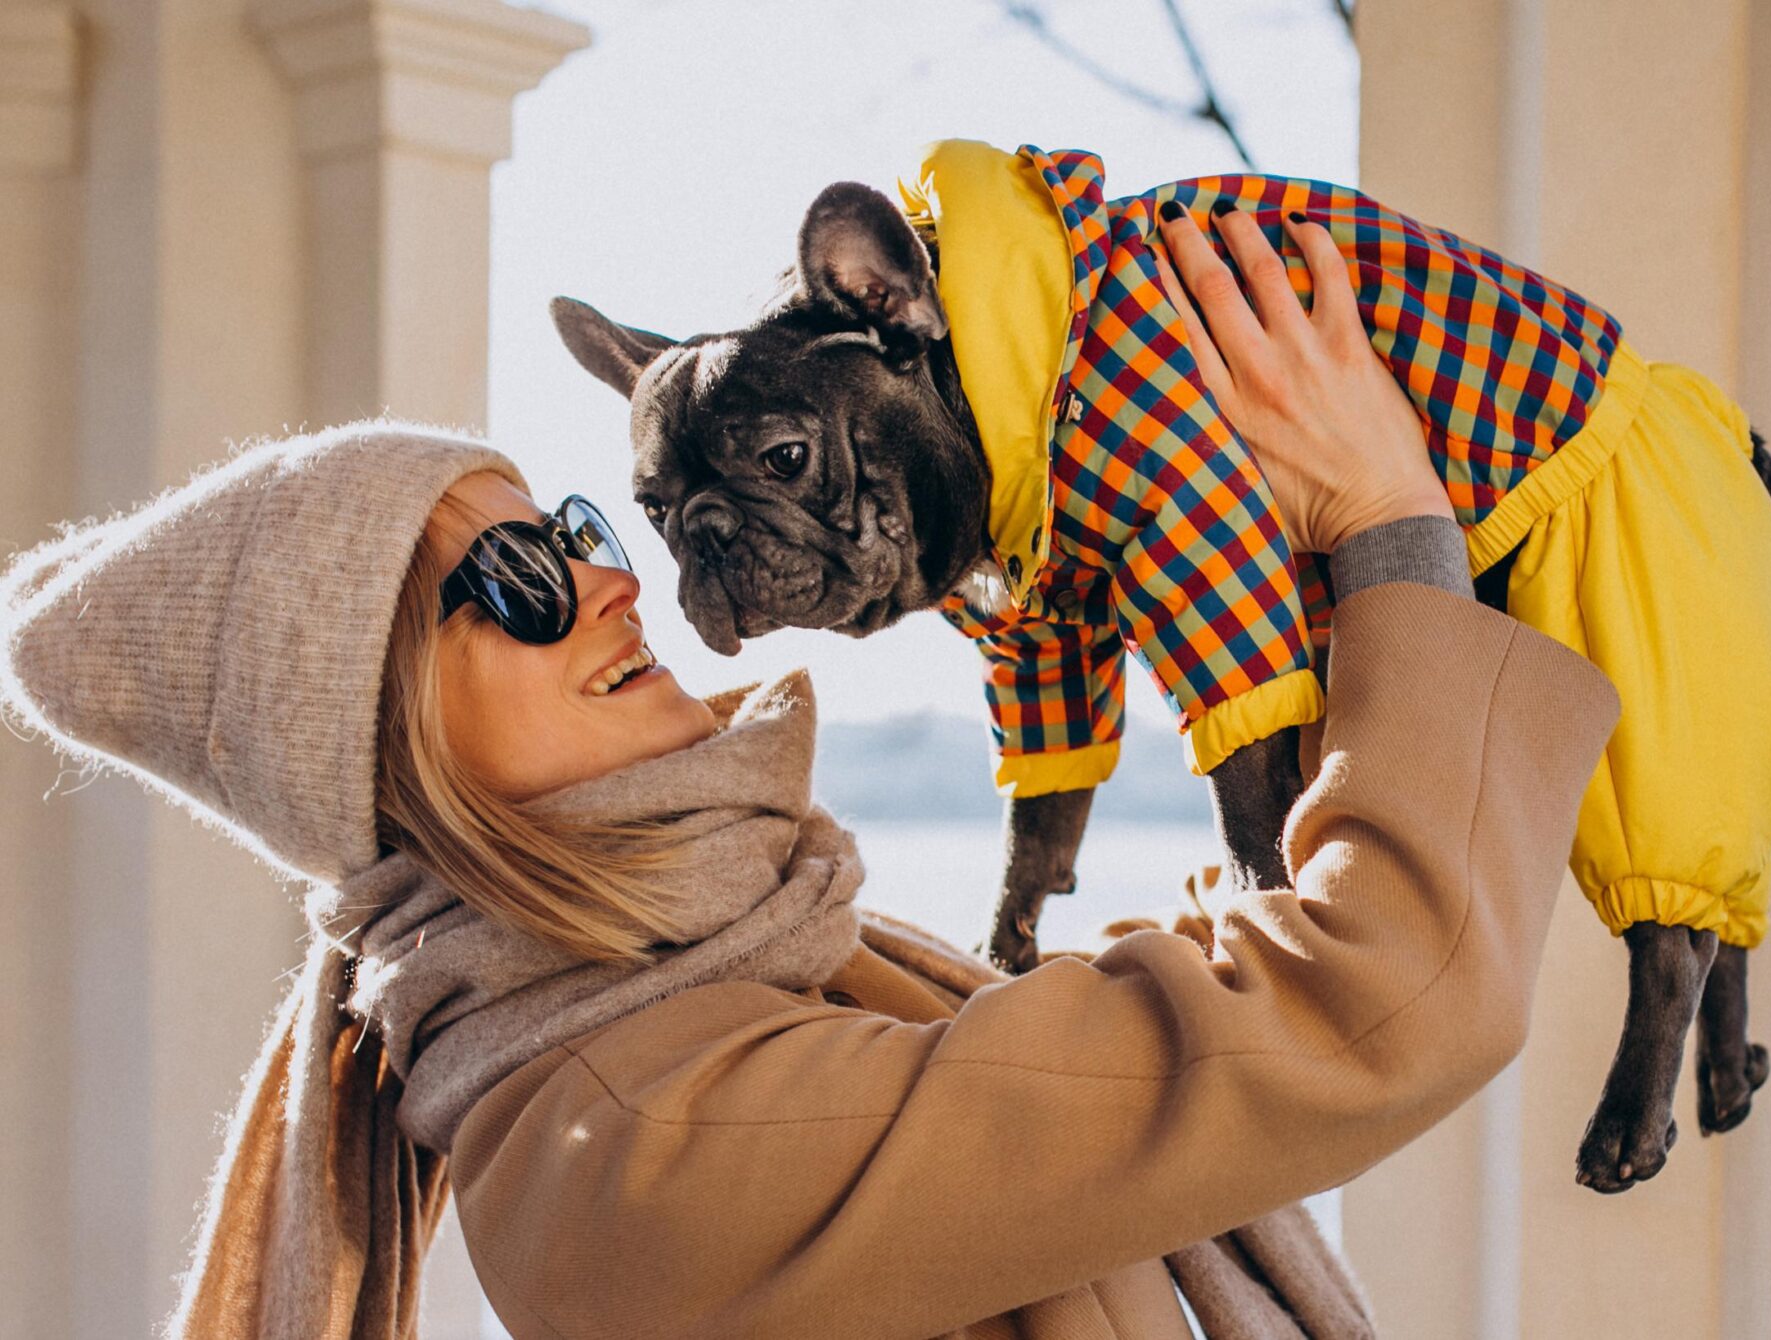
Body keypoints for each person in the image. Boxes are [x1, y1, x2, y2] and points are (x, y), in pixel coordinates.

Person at [0, 206, 1617, 1338]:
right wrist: (1389, 521)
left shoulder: (734, 995)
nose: (617, 581)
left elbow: (1179, 1010)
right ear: (380, 755)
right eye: (516, 578)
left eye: (577, 530)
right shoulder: (642, 1135)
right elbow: (1376, 996)